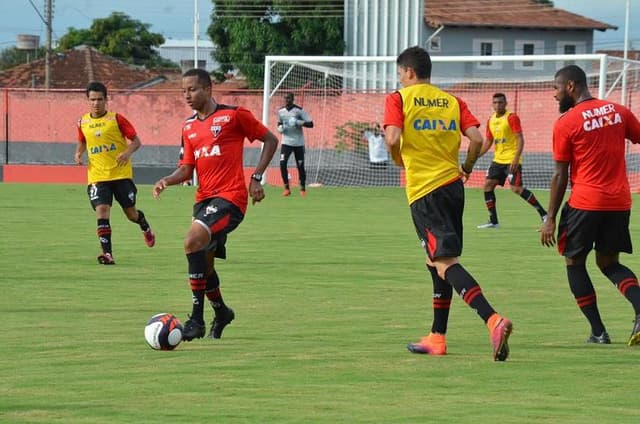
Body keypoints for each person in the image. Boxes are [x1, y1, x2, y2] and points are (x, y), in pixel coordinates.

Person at [383, 46, 512, 361]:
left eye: (400, 74)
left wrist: (398, 158)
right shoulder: (453, 101)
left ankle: (492, 319)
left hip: (425, 192)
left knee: (444, 262)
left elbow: (392, 138)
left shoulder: (398, 99)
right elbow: (478, 141)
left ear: (409, 72)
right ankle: (437, 337)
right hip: (454, 187)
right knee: (435, 260)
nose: (399, 80)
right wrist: (467, 168)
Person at [153, 68, 278, 342]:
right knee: (204, 265)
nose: (187, 95)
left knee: (191, 240)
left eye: (193, 89)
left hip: (231, 198)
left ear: (209, 89)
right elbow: (186, 170)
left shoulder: (233, 115)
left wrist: (256, 178)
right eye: (183, 90)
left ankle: (195, 319)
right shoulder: (188, 127)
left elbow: (271, 139)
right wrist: (167, 180)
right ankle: (222, 312)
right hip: (204, 201)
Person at [541, 64, 640, 346]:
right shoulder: (618, 112)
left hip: (586, 203)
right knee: (609, 263)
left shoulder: (567, 122)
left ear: (571, 86)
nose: (555, 95)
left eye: (556, 89)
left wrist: (550, 217)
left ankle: (598, 332)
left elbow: (560, 174)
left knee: (574, 262)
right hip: (619, 202)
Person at [75, 81, 155, 265]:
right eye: (92, 100)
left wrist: (126, 153)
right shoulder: (82, 122)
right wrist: (78, 153)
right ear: (88, 100)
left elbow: (136, 141)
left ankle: (144, 226)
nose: (96, 103)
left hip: (120, 175)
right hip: (97, 176)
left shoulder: (116, 119)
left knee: (131, 214)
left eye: (100, 99)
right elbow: (82, 141)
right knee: (102, 212)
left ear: (106, 99)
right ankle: (108, 254)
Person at [477, 93, 547, 228]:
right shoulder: (490, 120)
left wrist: (516, 158)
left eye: (501, 103)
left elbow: (520, 138)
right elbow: (489, 141)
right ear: (492, 104)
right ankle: (493, 221)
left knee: (516, 188)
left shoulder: (512, 117)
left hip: (511, 159)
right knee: (488, 185)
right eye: (495, 103)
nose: (498, 105)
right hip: (498, 160)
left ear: (506, 103)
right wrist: (477, 155)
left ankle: (544, 214)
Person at [276, 92, 313, 196]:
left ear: (293, 99)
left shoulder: (299, 110)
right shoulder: (281, 111)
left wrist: (299, 122)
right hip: (286, 142)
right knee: (282, 164)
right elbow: (279, 122)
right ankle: (287, 188)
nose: (286, 100)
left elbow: (311, 124)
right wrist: (279, 128)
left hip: (298, 143)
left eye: (288, 98)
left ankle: (302, 189)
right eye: (285, 98)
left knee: (300, 166)